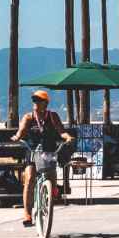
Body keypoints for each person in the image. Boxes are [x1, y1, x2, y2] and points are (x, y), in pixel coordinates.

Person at [13, 90, 74, 225]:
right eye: (34, 100)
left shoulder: (52, 116)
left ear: (45, 103)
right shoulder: (29, 117)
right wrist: (17, 137)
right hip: (33, 151)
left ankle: (51, 194)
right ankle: (27, 214)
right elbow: (21, 131)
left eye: (39, 100)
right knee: (29, 179)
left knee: (51, 176)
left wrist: (67, 137)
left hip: (49, 151)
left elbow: (61, 131)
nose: (35, 103)